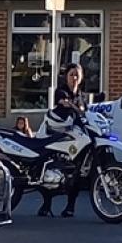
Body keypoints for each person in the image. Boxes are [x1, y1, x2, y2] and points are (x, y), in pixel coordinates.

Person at [37, 63, 88, 218]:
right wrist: (69, 104)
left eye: (77, 75)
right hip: (55, 134)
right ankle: (46, 205)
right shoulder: (61, 91)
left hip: (75, 138)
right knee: (47, 166)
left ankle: (70, 206)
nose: (74, 78)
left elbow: (86, 113)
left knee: (76, 171)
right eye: (71, 74)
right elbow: (62, 101)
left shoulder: (82, 96)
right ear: (66, 77)